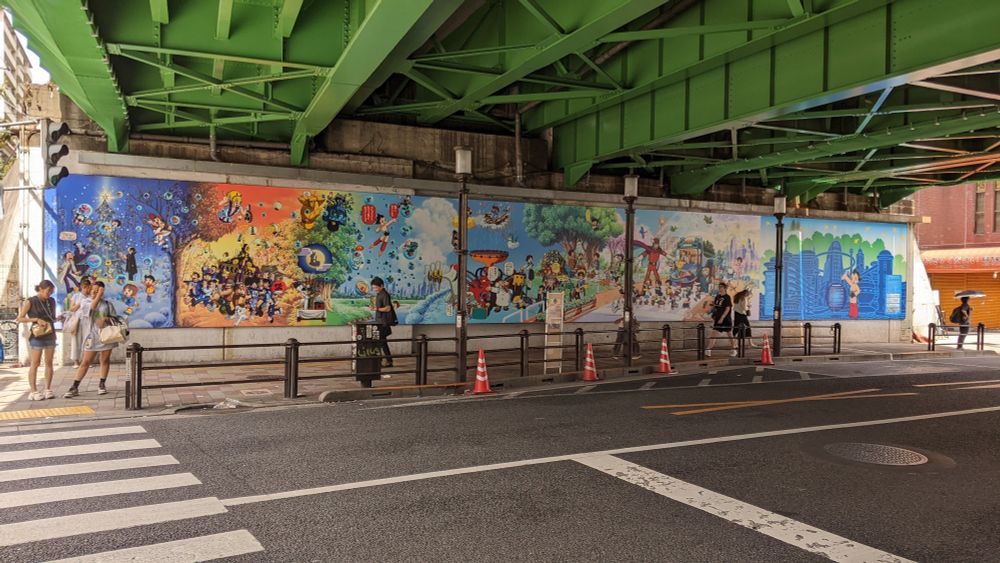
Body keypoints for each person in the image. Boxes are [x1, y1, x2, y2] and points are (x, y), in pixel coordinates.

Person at [65, 281, 119, 398]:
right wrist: (98, 294)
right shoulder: (85, 302)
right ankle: (75, 386)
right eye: (93, 289)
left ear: (103, 291)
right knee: (85, 362)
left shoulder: (107, 304)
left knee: (104, 360)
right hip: (91, 337)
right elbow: (92, 307)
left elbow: (115, 317)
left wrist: (106, 318)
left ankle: (102, 384)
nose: (94, 292)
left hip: (106, 335)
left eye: (98, 290)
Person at [16, 280, 58, 400]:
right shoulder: (31, 301)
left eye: (51, 291)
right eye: (48, 291)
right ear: (40, 289)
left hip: (50, 333)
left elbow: (52, 317)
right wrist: (35, 319)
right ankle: (33, 391)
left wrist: (59, 317)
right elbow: (20, 318)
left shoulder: (51, 301)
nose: (49, 294)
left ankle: (47, 389)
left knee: (49, 362)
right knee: (35, 363)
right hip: (37, 335)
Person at [67, 277, 93, 368]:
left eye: (89, 287)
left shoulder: (91, 297)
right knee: (76, 340)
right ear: (82, 287)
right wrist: (80, 303)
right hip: (77, 320)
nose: (88, 289)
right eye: (86, 287)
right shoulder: (76, 296)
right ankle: (76, 361)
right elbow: (71, 309)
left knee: (88, 340)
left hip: (88, 320)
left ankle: (86, 360)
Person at [370, 277, 395, 367]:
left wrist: (376, 308)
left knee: (381, 342)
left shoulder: (384, 294)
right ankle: (387, 361)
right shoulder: (379, 294)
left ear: (381, 286)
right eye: (373, 288)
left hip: (383, 323)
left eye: (376, 287)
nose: (374, 289)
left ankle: (383, 361)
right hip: (380, 322)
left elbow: (388, 308)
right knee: (382, 342)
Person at [707, 281, 735, 357]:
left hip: (726, 319)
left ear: (725, 288)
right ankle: (708, 349)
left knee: (730, 335)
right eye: (719, 287)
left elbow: (728, 308)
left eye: (721, 287)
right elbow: (715, 306)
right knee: (714, 334)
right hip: (718, 318)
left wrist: (722, 318)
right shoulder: (717, 296)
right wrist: (710, 309)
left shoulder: (727, 297)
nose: (719, 288)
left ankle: (734, 349)